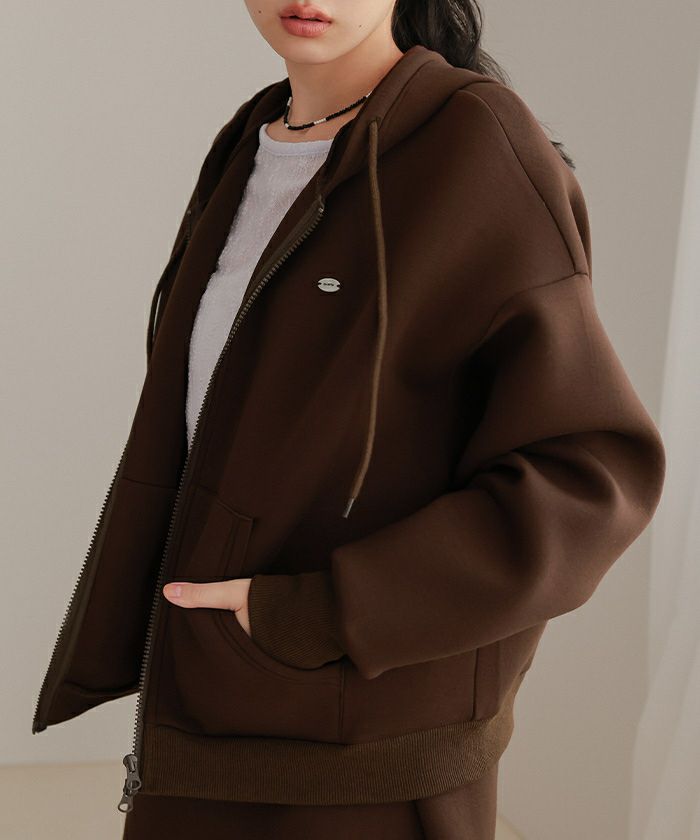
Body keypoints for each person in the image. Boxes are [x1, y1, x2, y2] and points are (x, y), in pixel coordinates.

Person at [32, 1, 667, 838]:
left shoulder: (474, 142)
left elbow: (591, 473)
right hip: (206, 716)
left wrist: (324, 612)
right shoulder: (253, 139)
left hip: (365, 752)